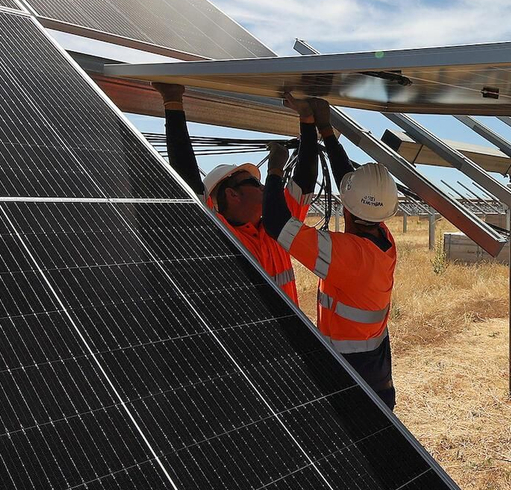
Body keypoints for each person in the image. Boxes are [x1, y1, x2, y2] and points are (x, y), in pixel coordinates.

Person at [261, 97, 401, 409]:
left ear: (348, 209)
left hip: (351, 367)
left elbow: (275, 223)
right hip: (375, 360)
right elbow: (349, 183)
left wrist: (274, 170)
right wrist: (320, 127)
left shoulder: (346, 255)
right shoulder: (383, 239)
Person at [152, 82, 317, 305]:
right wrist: (172, 101)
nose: (262, 186)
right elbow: (187, 181)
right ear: (232, 194)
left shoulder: (275, 225)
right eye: (253, 182)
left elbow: (303, 184)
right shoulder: (222, 237)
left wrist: (307, 121)